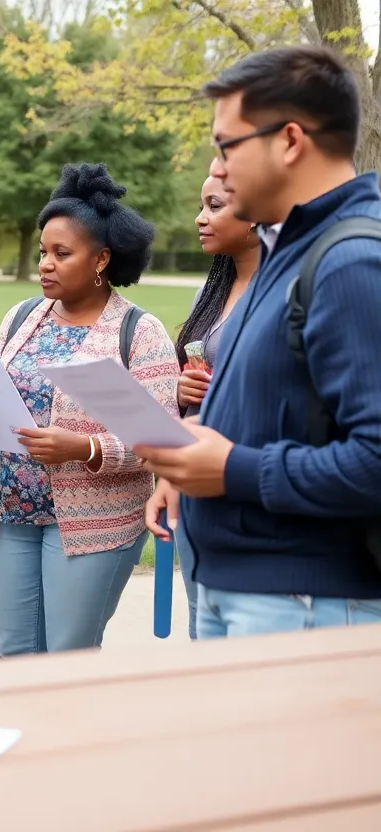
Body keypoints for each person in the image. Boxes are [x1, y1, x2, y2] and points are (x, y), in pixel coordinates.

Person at [141, 46, 381, 637]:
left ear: (290, 140)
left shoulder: (350, 261)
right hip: (240, 586)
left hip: (302, 601)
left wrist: (231, 469)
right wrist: (189, 464)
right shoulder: (285, 252)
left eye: (227, 146)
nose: (216, 168)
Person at [0, 163, 179, 657]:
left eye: (61, 253)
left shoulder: (140, 332)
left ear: (101, 259)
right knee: (15, 652)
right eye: (42, 252)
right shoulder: (20, 317)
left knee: (67, 656)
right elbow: (0, 402)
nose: (45, 264)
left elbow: (162, 441)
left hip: (94, 522)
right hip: (10, 510)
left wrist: (86, 448)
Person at [168, 169, 260, 639]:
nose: (201, 218)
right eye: (201, 205)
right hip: (193, 483)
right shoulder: (212, 290)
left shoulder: (279, 293)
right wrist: (182, 389)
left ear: (255, 211)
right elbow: (189, 372)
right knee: (200, 621)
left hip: (243, 478)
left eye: (215, 205)